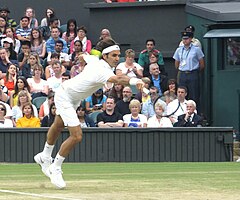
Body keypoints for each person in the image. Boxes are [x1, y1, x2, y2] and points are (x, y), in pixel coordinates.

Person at [34, 38, 144, 189]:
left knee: (58, 125)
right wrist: (134, 81)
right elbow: (118, 79)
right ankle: (55, 166)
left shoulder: (94, 60)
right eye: (114, 55)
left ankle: (45, 156)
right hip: (65, 96)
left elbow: (84, 56)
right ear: (105, 56)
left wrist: (82, 57)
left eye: (118, 55)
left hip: (72, 97)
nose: (117, 58)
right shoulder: (101, 70)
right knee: (77, 135)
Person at [173, 31, 204, 108]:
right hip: (183, 74)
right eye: (183, 39)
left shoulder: (196, 49)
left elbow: (202, 64)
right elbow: (176, 63)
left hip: (193, 73)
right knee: (181, 94)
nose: (185, 41)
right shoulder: (179, 50)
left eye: (186, 39)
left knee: (194, 95)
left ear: (191, 39)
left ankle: (195, 113)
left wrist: (195, 71)